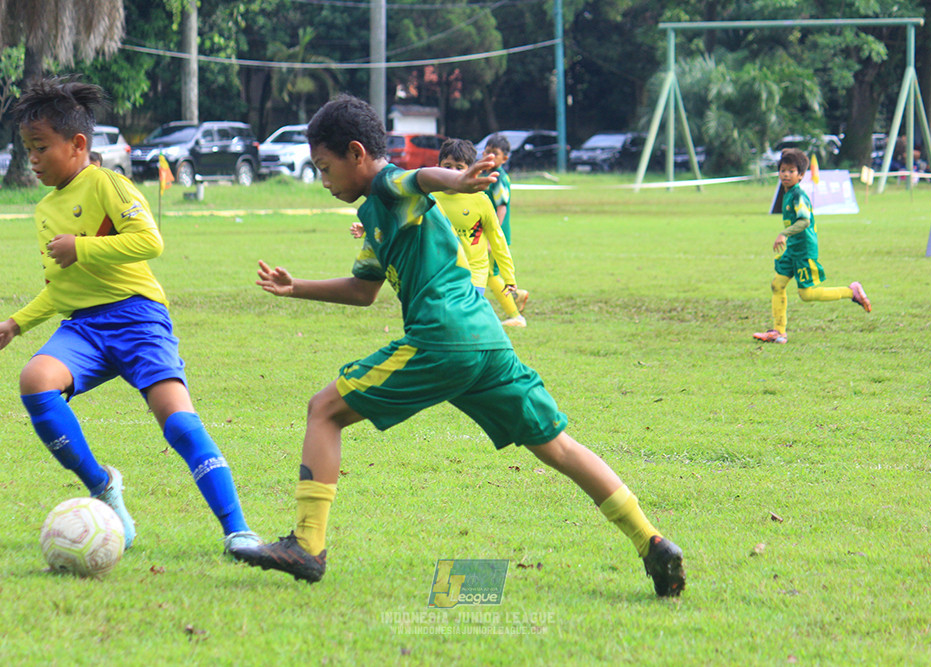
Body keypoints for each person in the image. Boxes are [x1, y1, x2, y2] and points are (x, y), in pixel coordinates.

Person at [232, 94, 685, 598]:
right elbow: (364, 291)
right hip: (487, 340)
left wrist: (457, 179)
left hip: (441, 339)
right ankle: (652, 542)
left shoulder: (388, 183)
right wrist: (298, 287)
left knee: (324, 410)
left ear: (357, 153)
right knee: (556, 445)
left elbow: (420, 178)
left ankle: (306, 546)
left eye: (324, 167)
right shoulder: (377, 215)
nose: (323, 181)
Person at [0, 77, 261, 556]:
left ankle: (237, 531)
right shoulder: (45, 209)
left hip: (138, 319)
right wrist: (15, 324)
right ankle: (103, 485)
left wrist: (81, 247)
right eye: (27, 149)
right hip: (83, 327)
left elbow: (151, 242)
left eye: (40, 148)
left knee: (181, 425)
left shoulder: (106, 183)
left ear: (78, 144)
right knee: (36, 379)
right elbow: (60, 287)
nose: (33, 159)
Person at [349, 138, 521, 322]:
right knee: (444, 322)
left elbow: (497, 238)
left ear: (471, 171)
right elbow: (401, 222)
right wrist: (367, 229)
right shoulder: (428, 198)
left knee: (465, 322)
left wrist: (509, 276)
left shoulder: (481, 201)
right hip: (440, 273)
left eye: (459, 167)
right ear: (437, 167)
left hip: (474, 275)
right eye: (447, 166)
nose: (452, 172)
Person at [753, 148, 871, 344]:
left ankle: (852, 292)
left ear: (800, 175)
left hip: (804, 250)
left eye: (791, 171)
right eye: (783, 170)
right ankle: (779, 332)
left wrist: (783, 234)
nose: (786, 174)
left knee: (807, 295)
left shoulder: (798, 195)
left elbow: (804, 221)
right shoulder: (788, 193)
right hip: (793, 249)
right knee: (777, 284)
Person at [482, 134, 529, 326]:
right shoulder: (486, 174)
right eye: (487, 151)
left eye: (495, 153)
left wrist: (493, 237)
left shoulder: (498, 178)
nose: (489, 155)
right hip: (489, 234)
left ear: (505, 159)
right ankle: (518, 295)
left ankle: (515, 316)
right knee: (491, 274)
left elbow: (502, 207)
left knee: (491, 276)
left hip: (494, 236)